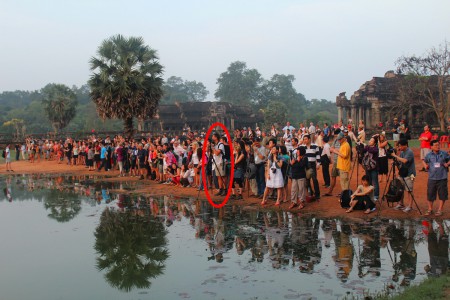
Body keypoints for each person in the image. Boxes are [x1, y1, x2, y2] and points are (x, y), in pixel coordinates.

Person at [422, 140, 450, 216]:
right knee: (430, 194)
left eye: (438, 145)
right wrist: (425, 166)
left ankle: (440, 210)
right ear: (431, 147)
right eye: (435, 145)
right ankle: (430, 209)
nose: (437, 146)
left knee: (442, 194)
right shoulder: (429, 155)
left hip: (442, 177)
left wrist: (447, 163)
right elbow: (424, 161)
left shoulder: (444, 153)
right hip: (432, 178)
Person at [391, 139, 416, 213]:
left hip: (411, 174)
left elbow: (405, 161)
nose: (399, 148)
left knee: (409, 190)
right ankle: (401, 204)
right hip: (402, 173)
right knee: (400, 189)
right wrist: (395, 161)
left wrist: (395, 156)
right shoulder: (402, 152)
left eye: (400, 146)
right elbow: (400, 161)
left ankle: (410, 206)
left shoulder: (410, 152)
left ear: (405, 145)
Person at [299, 134, 321, 199]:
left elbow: (318, 155)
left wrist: (318, 164)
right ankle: (311, 193)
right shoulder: (302, 147)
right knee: (307, 180)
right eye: (304, 139)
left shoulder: (315, 146)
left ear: (309, 139)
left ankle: (317, 194)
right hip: (305, 165)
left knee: (314, 179)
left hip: (312, 164)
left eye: (306, 139)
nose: (304, 141)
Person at [362, 136, 380, 201]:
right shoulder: (367, 147)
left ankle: (376, 195)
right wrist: (360, 146)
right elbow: (363, 150)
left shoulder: (375, 149)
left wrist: (366, 146)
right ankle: (369, 194)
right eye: (370, 140)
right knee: (368, 181)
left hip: (374, 168)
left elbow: (370, 150)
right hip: (367, 167)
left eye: (371, 141)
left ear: (374, 143)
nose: (370, 141)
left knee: (375, 182)